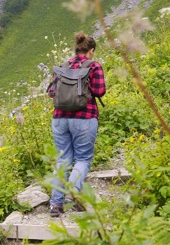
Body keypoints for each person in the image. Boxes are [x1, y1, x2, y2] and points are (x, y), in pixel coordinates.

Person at [48, 32, 106, 217]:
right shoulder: (93, 66)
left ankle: (55, 205)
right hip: (84, 118)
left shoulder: (63, 67)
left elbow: (51, 92)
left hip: (59, 119)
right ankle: (73, 197)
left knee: (63, 159)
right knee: (82, 159)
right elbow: (100, 91)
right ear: (91, 51)